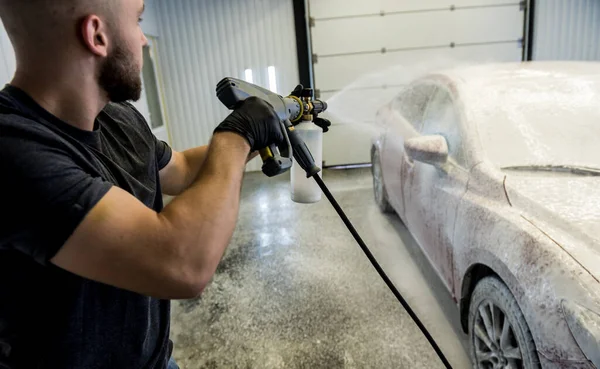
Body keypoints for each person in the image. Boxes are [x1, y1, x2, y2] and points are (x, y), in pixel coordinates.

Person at [0, 0, 288, 368]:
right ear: (97, 35)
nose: (144, 40)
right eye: (137, 21)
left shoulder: (117, 115)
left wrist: (259, 135)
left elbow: (182, 169)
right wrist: (237, 135)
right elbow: (182, 262)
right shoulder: (12, 151)